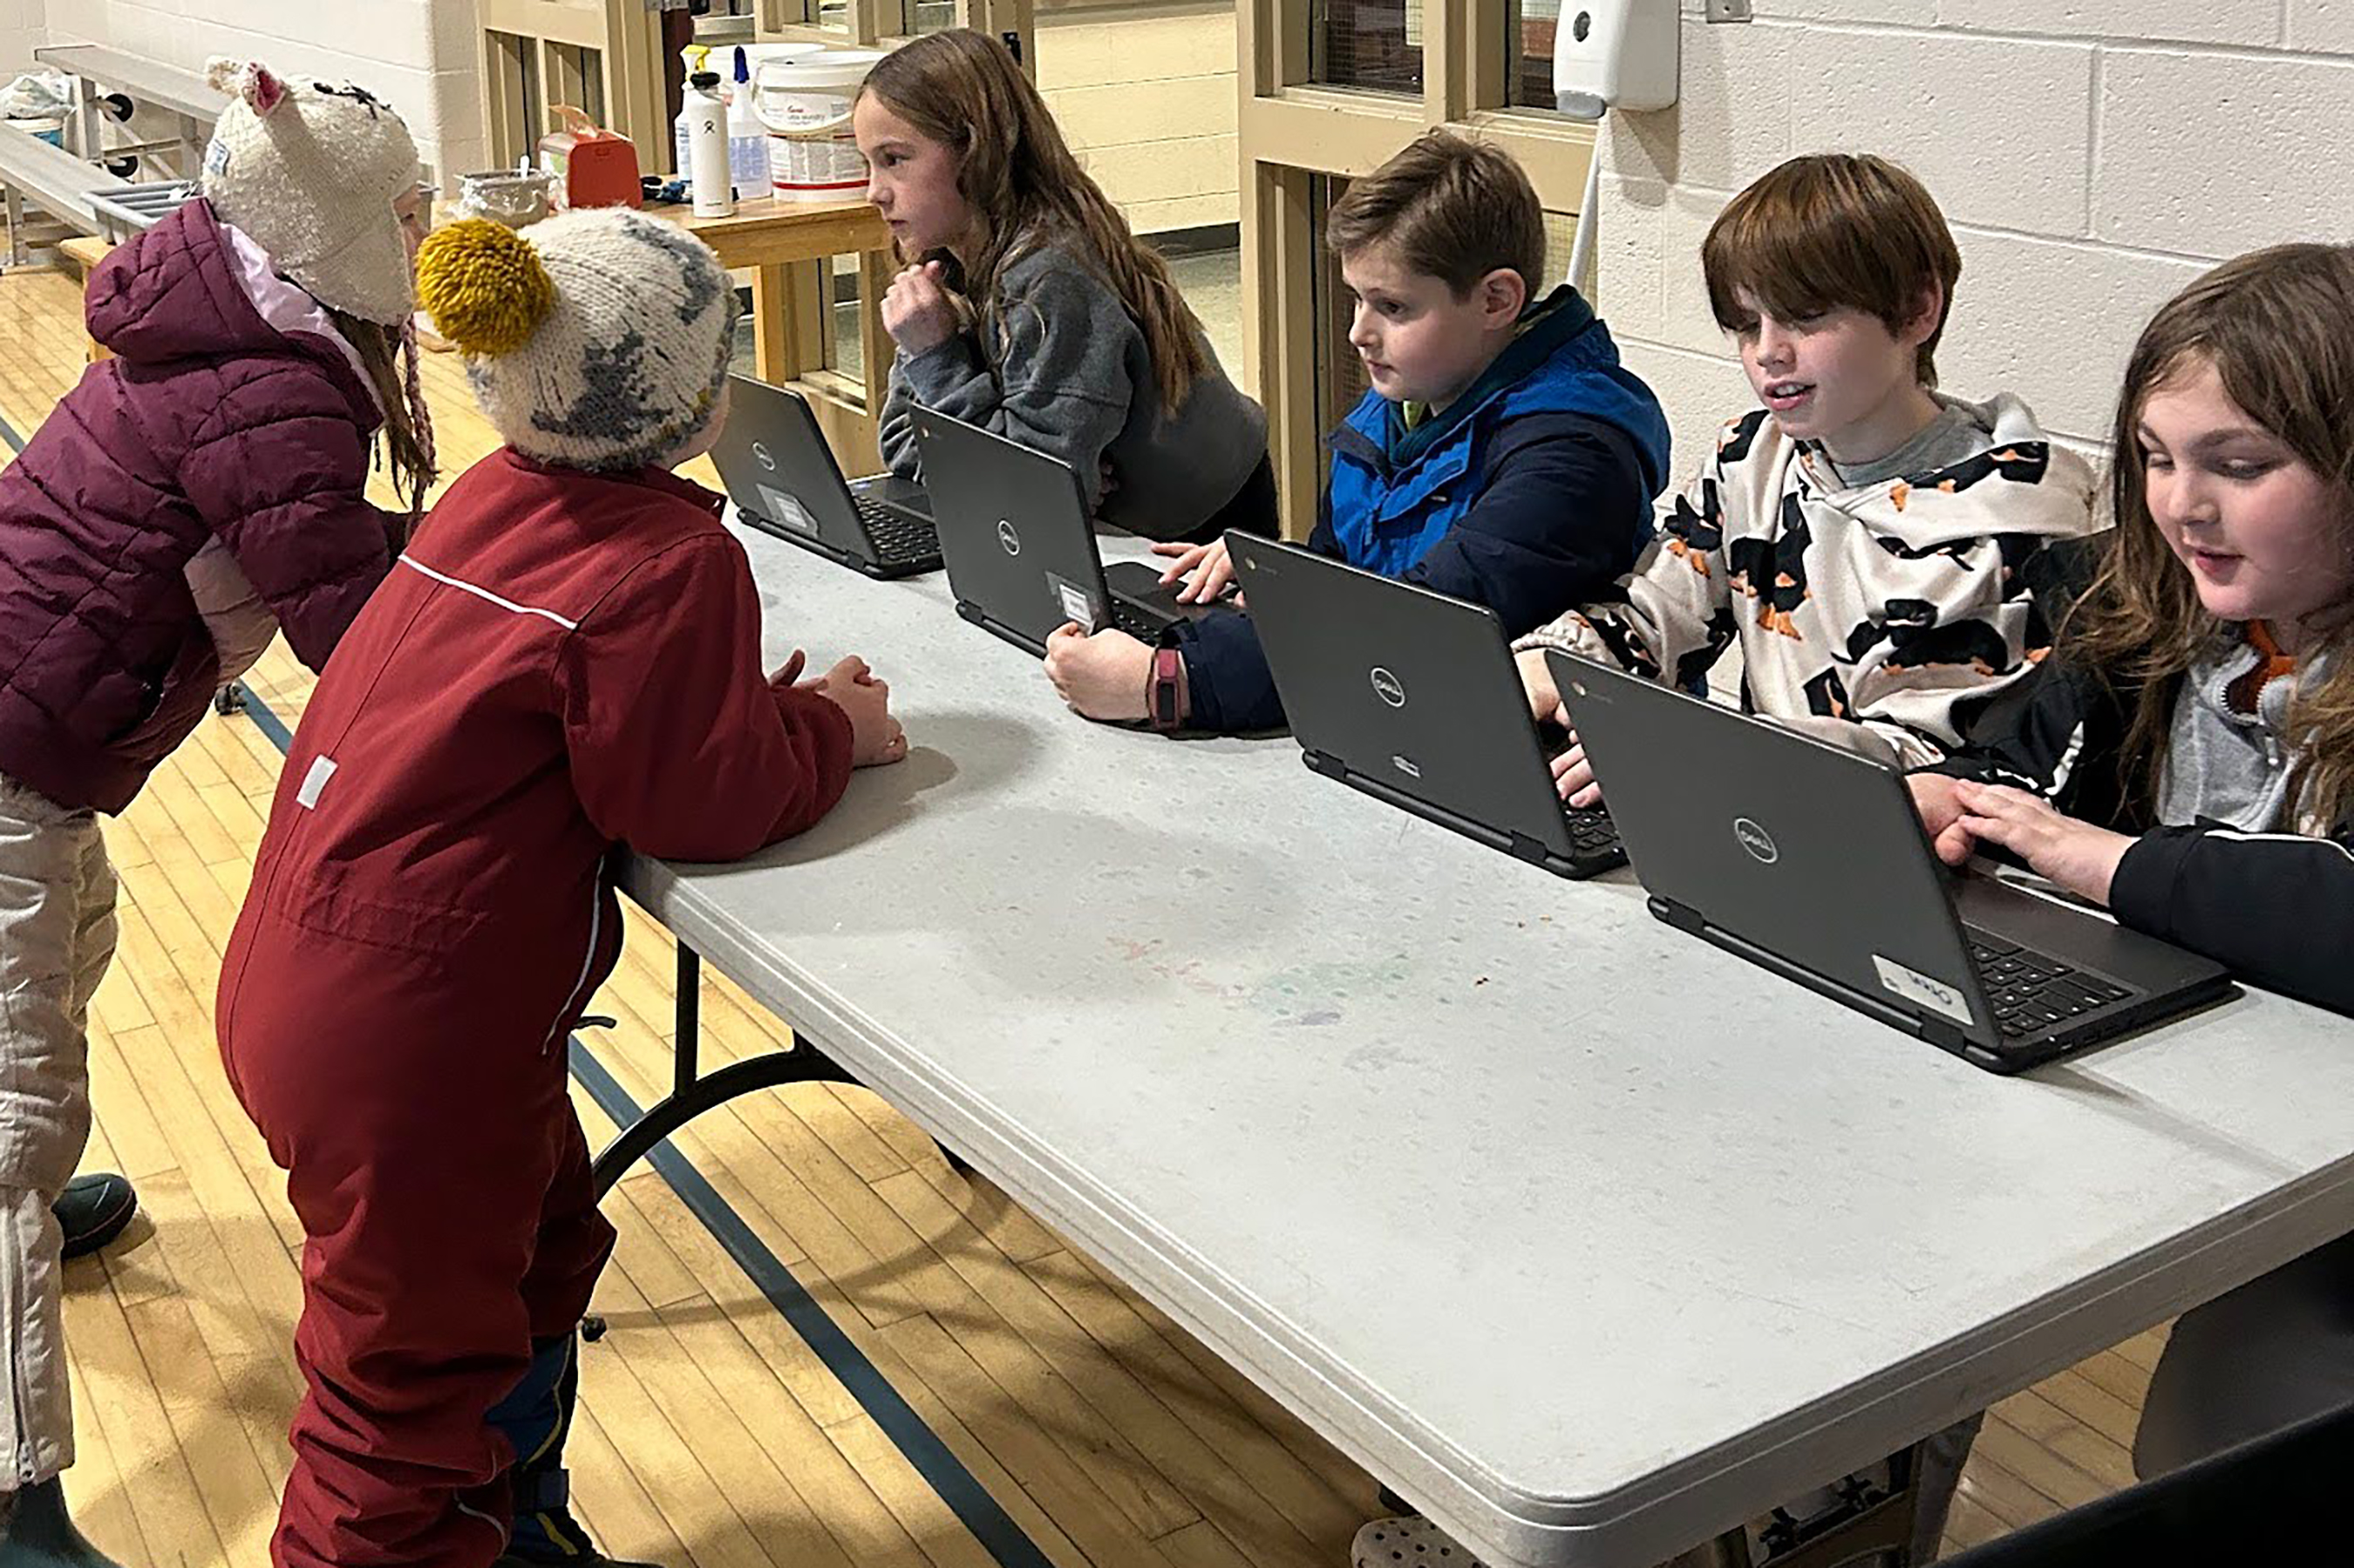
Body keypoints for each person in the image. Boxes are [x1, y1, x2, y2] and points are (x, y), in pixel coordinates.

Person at [216, 208, 907, 1568]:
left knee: (539, 1246)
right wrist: (837, 732)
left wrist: (736, 712)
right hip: (413, 1033)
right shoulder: (670, 558)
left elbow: (594, 725)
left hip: (312, 973)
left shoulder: (488, 499)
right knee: (399, 1395)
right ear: (699, 398)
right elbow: (697, 800)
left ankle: (515, 1530)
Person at [0, 58, 435, 1564]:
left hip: (37, 723)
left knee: (80, 945)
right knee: (9, 1091)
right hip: (12, 736)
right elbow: (349, 622)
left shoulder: (224, 304)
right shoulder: (272, 384)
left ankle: (42, 1197)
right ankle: (14, 1498)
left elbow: (302, 538)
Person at [1908, 242, 2354, 1486]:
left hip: (2328, 1180)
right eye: (2157, 458)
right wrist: (1970, 803)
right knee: (1908, 1256)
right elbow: (2027, 760)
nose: (2181, 505)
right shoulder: (2149, 604)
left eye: (2241, 465)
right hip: (2181, 1087)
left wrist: (2096, 856)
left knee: (2215, 1438)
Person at [1515, 153, 2099, 807]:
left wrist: (1697, 752)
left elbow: (1925, 756)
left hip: (1910, 854)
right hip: (1761, 822)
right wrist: (1557, 662)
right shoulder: (1753, 456)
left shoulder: (2007, 525)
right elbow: (1659, 613)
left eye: (1805, 316)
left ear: (1916, 312)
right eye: (1745, 324)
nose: (1768, 351)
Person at [1045, 128, 1670, 732]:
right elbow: (1352, 573)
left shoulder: (1573, 457)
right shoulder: (1406, 402)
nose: (1358, 333)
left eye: (1393, 307)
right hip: (1394, 731)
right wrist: (1275, 572)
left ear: (1496, 301)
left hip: (1505, 764)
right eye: (1356, 298)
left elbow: (1408, 629)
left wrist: (1171, 681)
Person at [860, 27, 1274, 546]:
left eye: (894, 159)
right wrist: (1039, 472)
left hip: (1197, 533)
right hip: (1104, 526)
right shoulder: (941, 265)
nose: (875, 192)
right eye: (868, 163)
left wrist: (938, 359)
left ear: (975, 150)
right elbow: (903, 445)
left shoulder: (1053, 276)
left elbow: (1029, 491)